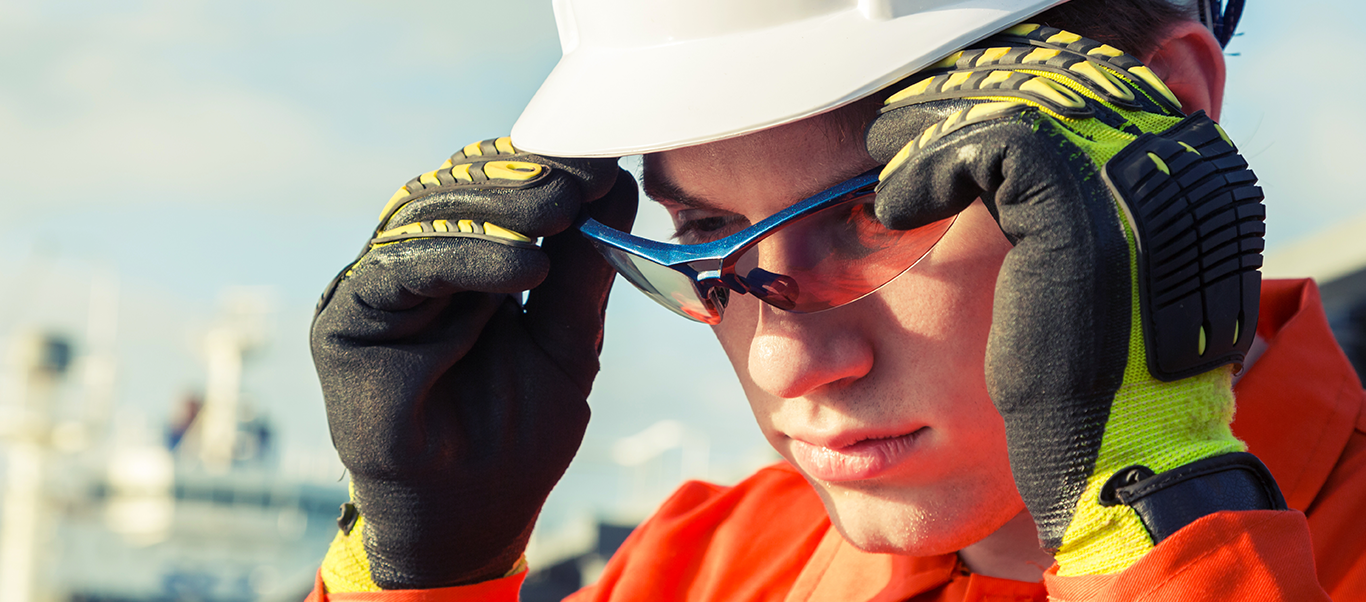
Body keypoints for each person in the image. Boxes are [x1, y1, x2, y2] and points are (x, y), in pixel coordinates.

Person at [305, 0, 1366, 600]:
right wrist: (418, 579)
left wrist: (1153, 520)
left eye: (881, 211)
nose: (781, 362)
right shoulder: (700, 571)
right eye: (699, 230)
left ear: (1164, 120)